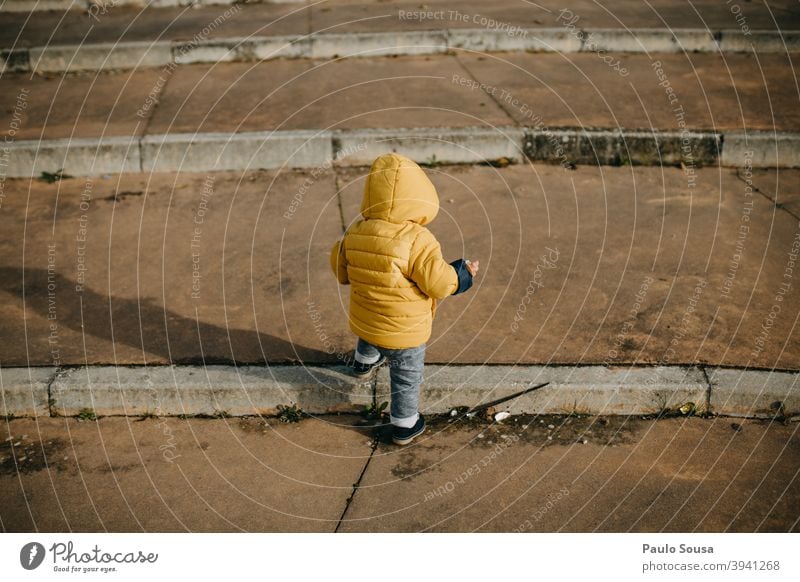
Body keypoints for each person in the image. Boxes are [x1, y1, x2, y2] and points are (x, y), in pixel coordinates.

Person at [330, 153, 479, 445]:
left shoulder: (357, 231)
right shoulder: (418, 239)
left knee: (371, 324)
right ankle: (405, 424)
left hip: (366, 319)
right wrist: (462, 274)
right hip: (405, 334)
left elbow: (341, 271)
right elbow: (437, 284)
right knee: (405, 378)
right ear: (419, 198)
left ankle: (363, 363)